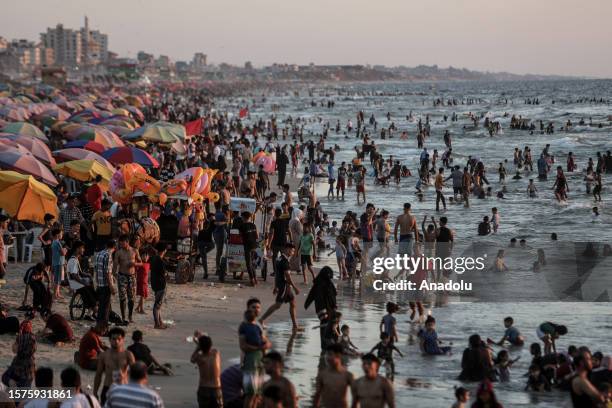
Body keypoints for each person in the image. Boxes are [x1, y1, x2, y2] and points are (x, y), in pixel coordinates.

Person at [260, 243, 301, 332]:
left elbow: (277, 274)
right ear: (285, 250)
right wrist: (295, 287)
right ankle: (261, 320)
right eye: (290, 250)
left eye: (293, 251)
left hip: (282, 285)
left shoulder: (279, 259)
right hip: (284, 286)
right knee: (277, 305)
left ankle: (295, 326)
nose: (292, 252)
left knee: (293, 303)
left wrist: (275, 286)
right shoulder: (284, 261)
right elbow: (287, 276)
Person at [94, 327, 135, 405]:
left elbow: (136, 374)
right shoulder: (104, 355)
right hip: (108, 388)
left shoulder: (128, 355)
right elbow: (98, 374)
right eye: (114, 339)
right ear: (109, 340)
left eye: (119, 339)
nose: (116, 341)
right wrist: (95, 392)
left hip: (123, 388)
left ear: (123, 340)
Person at [239, 309, 271, 408]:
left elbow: (267, 342)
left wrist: (264, 348)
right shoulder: (244, 327)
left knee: (257, 394)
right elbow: (244, 346)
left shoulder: (257, 327)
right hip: (250, 361)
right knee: (250, 394)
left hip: (259, 361)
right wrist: (260, 348)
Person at [314, 344, 354, 408]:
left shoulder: (348, 375)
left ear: (339, 355)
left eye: (330, 354)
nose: (326, 357)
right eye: (326, 354)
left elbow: (356, 396)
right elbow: (317, 396)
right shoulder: (322, 375)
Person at [2, 320, 36, 387]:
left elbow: (14, 350)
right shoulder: (33, 339)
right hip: (28, 373)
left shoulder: (20, 338)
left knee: (5, 377)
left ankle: (13, 386)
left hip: (18, 370)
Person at [190, 334, 222, 408]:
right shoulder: (216, 354)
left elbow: (192, 359)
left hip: (204, 388)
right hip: (216, 388)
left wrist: (197, 348)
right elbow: (208, 347)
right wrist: (200, 343)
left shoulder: (200, 358)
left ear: (200, 347)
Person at [113, 235, 138, 324]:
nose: (121, 245)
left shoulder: (134, 251)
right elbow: (115, 265)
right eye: (120, 243)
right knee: (122, 297)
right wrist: (113, 275)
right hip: (122, 276)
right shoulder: (118, 252)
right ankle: (123, 317)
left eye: (122, 243)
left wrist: (134, 264)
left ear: (127, 242)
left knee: (131, 298)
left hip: (132, 276)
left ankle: (130, 316)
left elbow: (141, 262)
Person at [94, 239, 116, 331]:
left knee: (101, 307)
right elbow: (107, 272)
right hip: (105, 285)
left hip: (99, 283)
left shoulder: (99, 254)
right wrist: (111, 286)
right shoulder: (108, 255)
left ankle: (98, 326)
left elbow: (96, 268)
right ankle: (104, 328)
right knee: (105, 308)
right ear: (114, 247)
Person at [239, 211, 259, 286]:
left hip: (247, 245)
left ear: (243, 217)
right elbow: (256, 236)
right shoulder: (253, 225)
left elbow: (240, 237)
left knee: (248, 263)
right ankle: (255, 278)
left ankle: (252, 280)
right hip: (254, 245)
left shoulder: (241, 226)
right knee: (252, 262)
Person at [50, 228, 67, 299]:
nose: (62, 235)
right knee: (58, 279)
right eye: (61, 234)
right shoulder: (57, 243)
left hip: (55, 262)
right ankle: (55, 294)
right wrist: (65, 250)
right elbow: (62, 253)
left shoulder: (53, 242)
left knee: (57, 278)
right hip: (59, 263)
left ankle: (57, 293)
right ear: (57, 235)